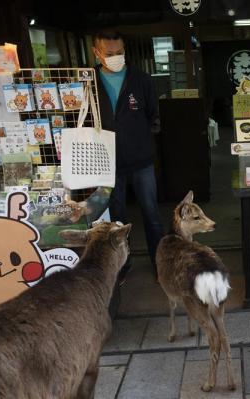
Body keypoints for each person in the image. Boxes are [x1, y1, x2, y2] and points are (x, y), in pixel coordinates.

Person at [93, 29, 163, 281]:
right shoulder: (89, 81)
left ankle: (160, 264)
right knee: (117, 218)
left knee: (151, 213)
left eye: (120, 52)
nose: (115, 57)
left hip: (141, 157)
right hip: (107, 160)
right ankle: (123, 264)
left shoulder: (141, 79)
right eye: (109, 53)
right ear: (97, 52)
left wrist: (140, 136)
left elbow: (154, 115)